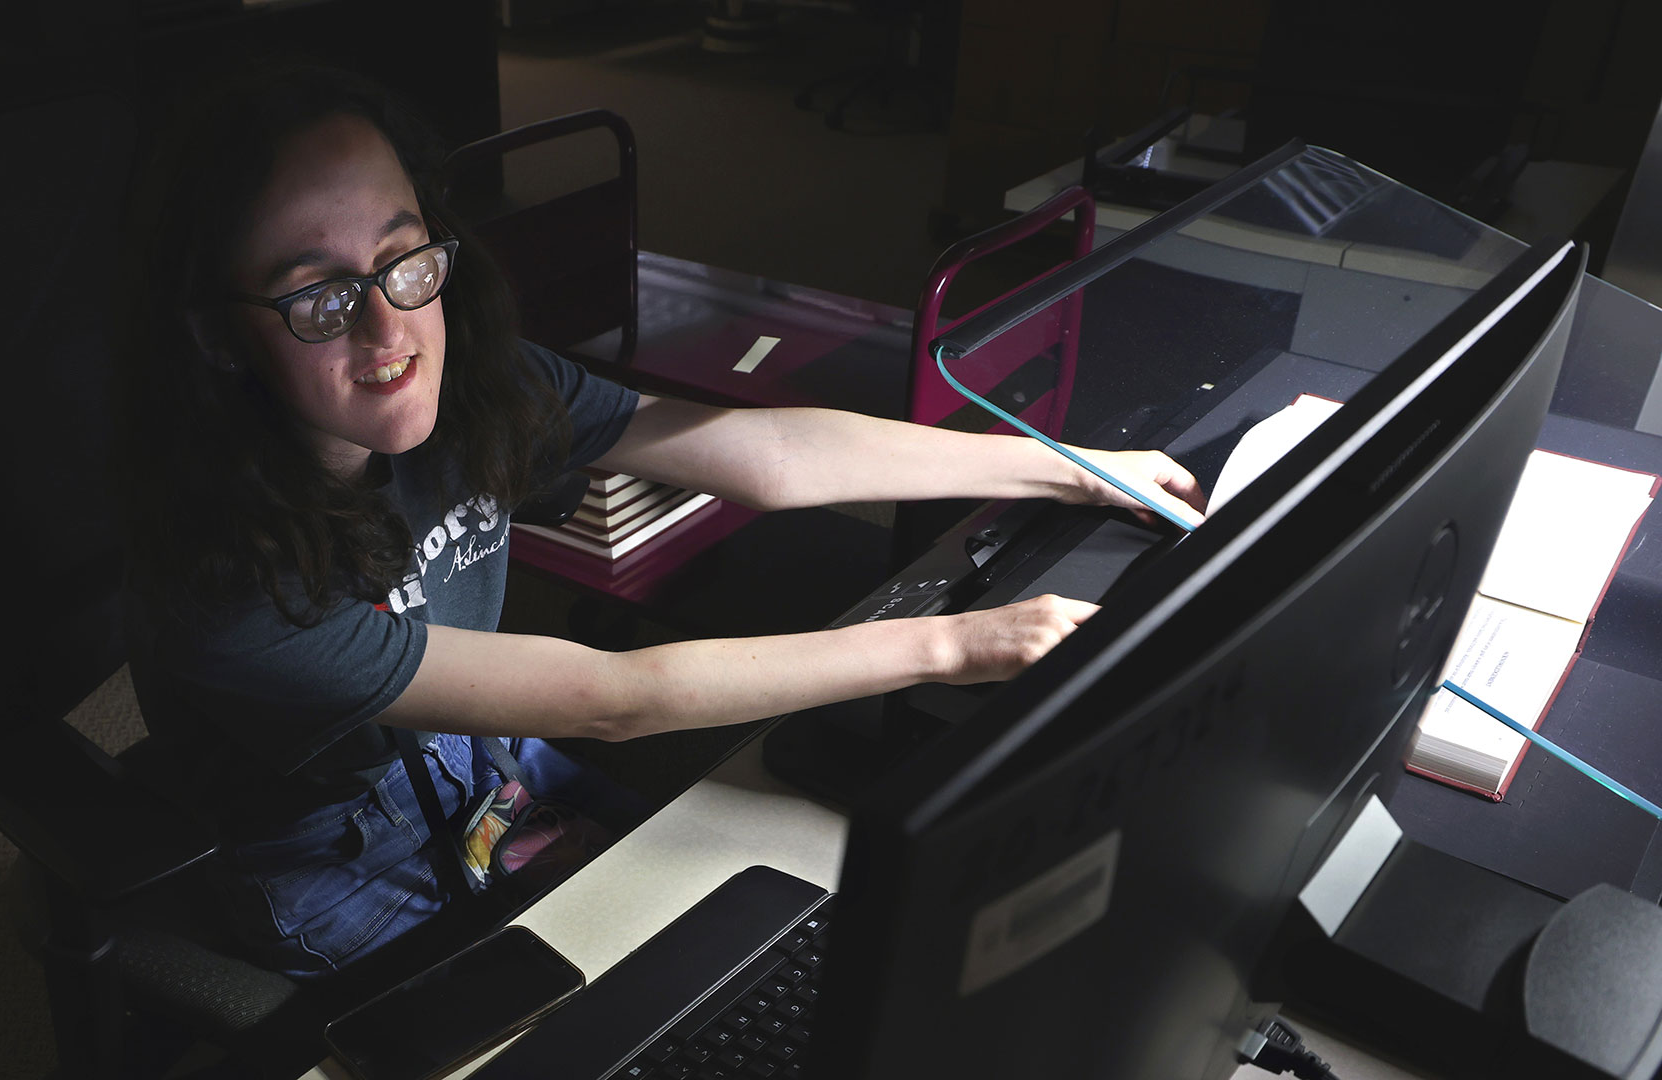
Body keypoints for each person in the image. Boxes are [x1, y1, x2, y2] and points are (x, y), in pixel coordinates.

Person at [116, 62, 1207, 981]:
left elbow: (767, 455)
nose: (389, 325)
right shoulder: (220, 582)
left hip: (478, 758)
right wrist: (953, 643)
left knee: (762, 931)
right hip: (329, 853)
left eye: (407, 259)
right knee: (623, 1010)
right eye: (318, 297)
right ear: (221, 337)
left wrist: (1068, 467)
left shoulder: (473, 384)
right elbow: (615, 699)